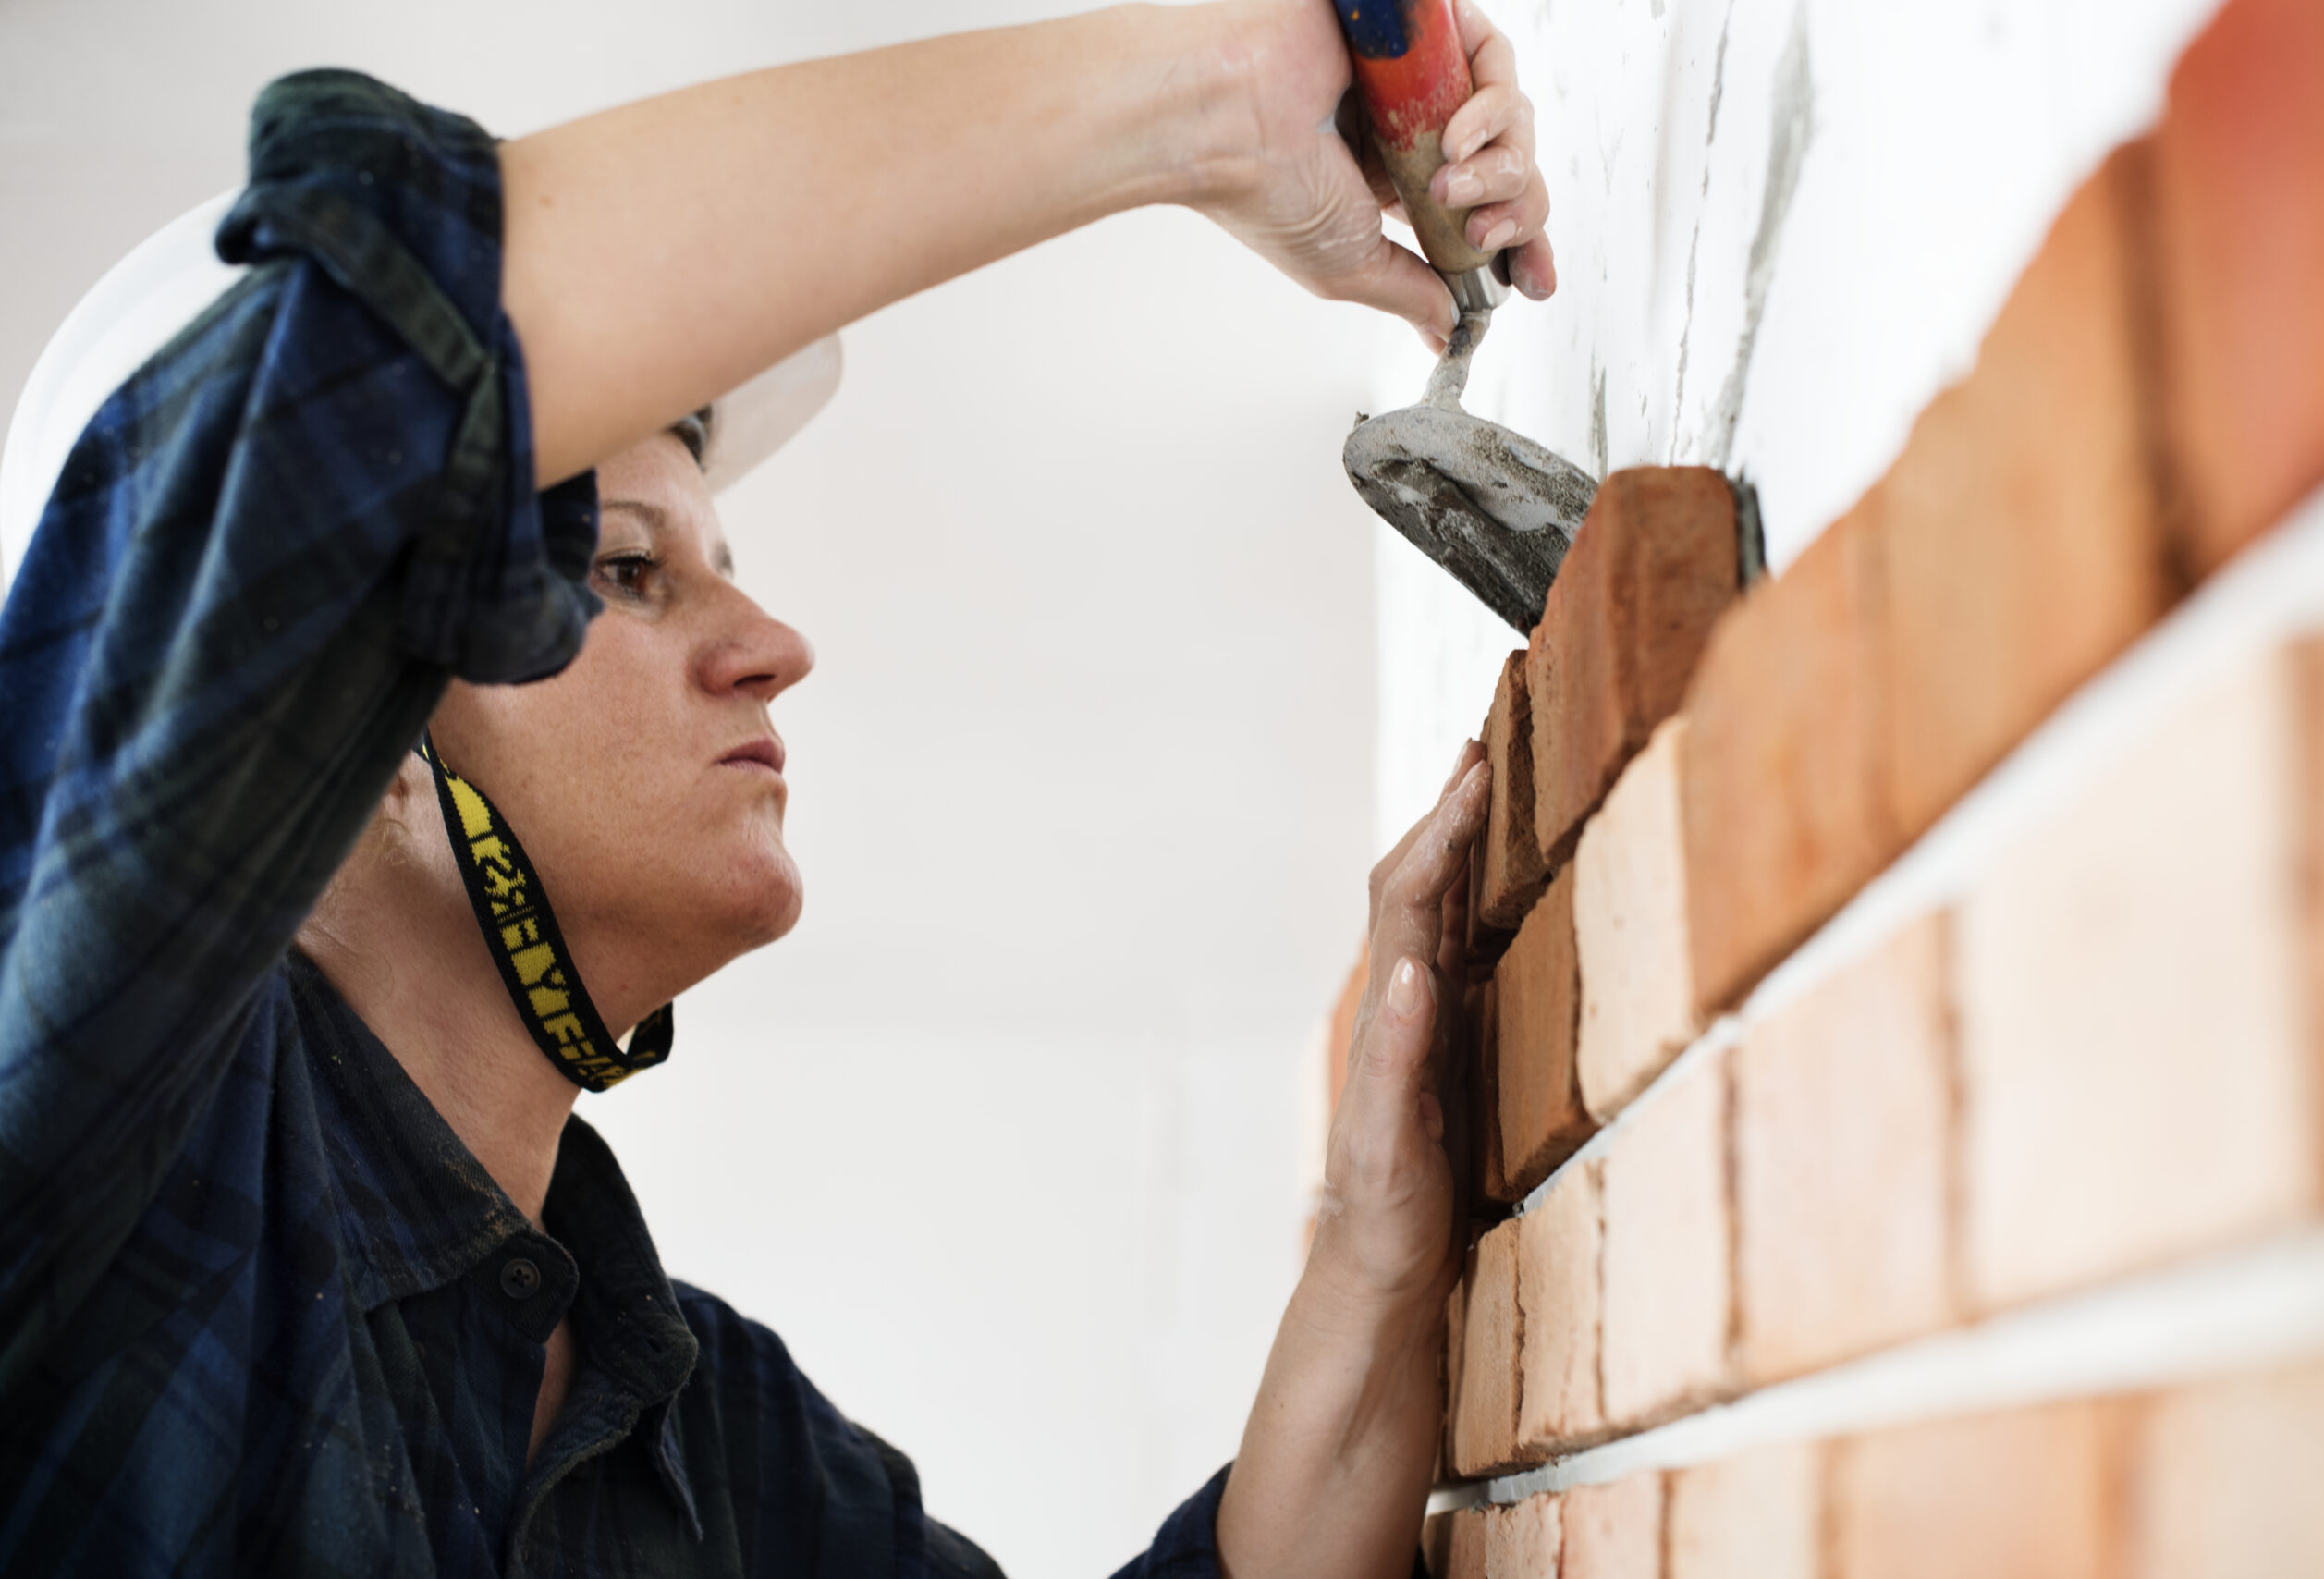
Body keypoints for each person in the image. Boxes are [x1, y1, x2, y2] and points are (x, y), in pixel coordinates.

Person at [0, 2, 1549, 1573]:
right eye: (624, 573)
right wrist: (1209, 96)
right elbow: (308, 411)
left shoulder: (695, 1431)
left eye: (715, 567)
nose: (773, 645)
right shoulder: (118, 1191)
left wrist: (1374, 1244)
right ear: (349, 720)